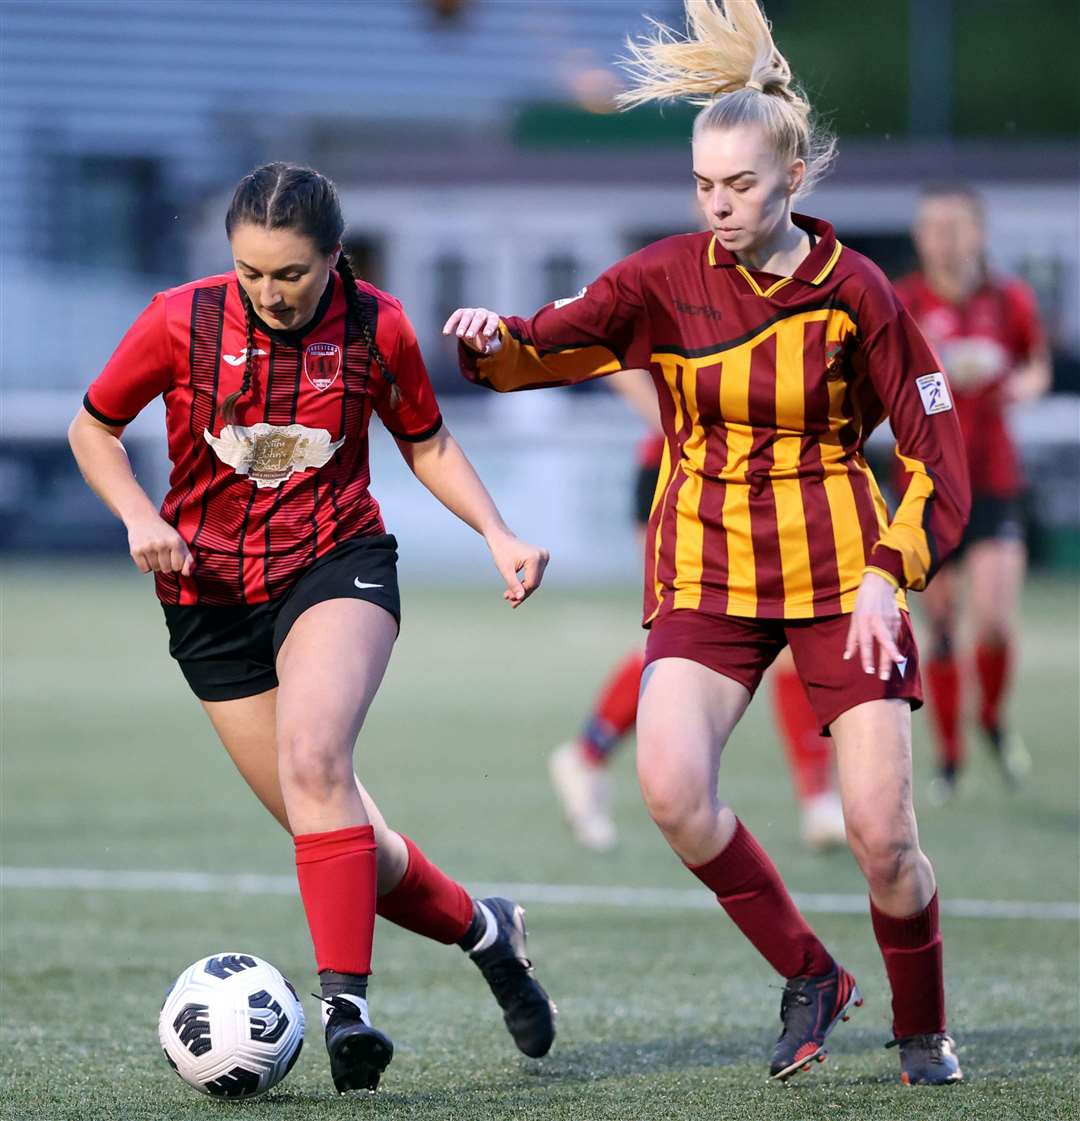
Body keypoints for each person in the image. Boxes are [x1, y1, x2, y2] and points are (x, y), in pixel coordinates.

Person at [445, 0, 969, 1086]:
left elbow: (934, 455)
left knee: (881, 832)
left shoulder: (857, 294)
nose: (718, 205)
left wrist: (888, 573)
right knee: (674, 789)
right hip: (708, 565)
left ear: (791, 182)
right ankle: (811, 974)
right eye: (703, 185)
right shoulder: (664, 277)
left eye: (739, 185)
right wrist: (493, 340)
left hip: (839, 574)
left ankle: (922, 1027)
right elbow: (554, 338)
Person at [68, 163, 556, 1095]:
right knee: (342, 839)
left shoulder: (379, 323)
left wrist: (497, 533)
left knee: (316, 762)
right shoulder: (178, 319)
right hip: (206, 597)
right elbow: (93, 428)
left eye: (289, 273)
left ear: (335, 256)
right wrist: (139, 516)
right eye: (250, 272)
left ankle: (345, 1009)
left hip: (338, 565)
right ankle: (490, 934)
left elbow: (428, 442)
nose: (268, 292)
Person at [551, 375, 845, 853]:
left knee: (789, 631)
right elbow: (619, 365)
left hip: (756, 476)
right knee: (680, 636)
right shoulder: (668, 300)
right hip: (685, 475)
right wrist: (685, 433)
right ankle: (586, 755)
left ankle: (818, 801)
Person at [895, 185, 1051, 800]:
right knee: (938, 627)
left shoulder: (1008, 299)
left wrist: (1022, 385)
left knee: (993, 621)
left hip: (993, 481)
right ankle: (950, 758)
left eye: (956, 227)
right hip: (927, 484)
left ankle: (990, 717)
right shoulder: (902, 301)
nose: (944, 239)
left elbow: (1036, 363)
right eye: (933, 227)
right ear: (919, 237)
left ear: (979, 234)